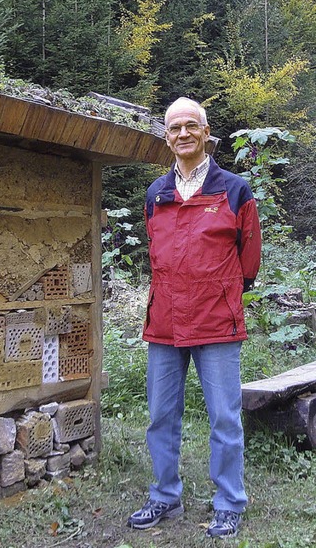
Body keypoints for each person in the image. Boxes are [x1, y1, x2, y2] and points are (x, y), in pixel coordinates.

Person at [126, 97, 262, 539]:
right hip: (164, 321)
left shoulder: (234, 190)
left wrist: (221, 295)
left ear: (206, 133)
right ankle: (164, 495)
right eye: (173, 128)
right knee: (160, 416)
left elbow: (249, 262)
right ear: (166, 137)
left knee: (224, 418)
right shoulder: (155, 194)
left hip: (217, 322)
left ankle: (229, 503)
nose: (182, 134)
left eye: (190, 126)